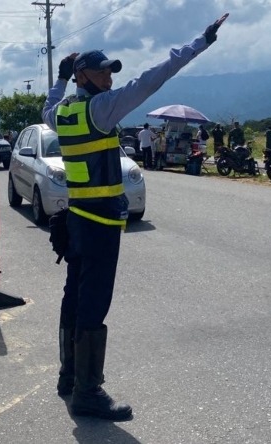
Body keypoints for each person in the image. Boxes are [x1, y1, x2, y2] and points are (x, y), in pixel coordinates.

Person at [42, 13, 228, 420]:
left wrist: (58, 78)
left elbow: (48, 106)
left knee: (74, 295)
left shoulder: (64, 114)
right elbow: (152, 78)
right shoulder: (102, 109)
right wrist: (201, 42)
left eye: (110, 72)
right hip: (102, 223)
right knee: (93, 302)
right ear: (85, 76)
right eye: (102, 72)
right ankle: (87, 393)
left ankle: (68, 376)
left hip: (76, 219)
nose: (110, 78)